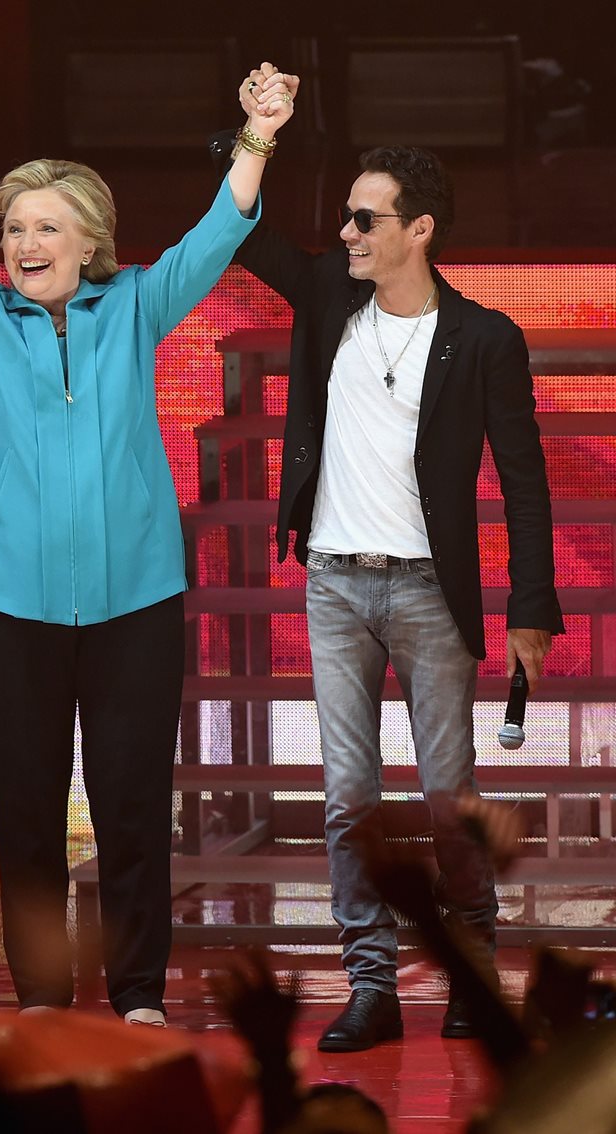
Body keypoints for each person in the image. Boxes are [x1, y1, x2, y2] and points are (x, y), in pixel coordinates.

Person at [0, 65, 296, 1025]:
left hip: (135, 606)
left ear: (91, 241)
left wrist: (258, 135)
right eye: (13, 228)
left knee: (131, 813)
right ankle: (42, 996)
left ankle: (136, 996)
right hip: (9, 612)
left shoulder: (136, 308)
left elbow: (219, 233)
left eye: (46, 226)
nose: (25, 242)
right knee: (28, 817)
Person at [209, 63, 563, 1052]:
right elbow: (240, 229)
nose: (349, 235)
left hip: (428, 593)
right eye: (348, 219)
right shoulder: (330, 292)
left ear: (420, 230)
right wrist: (258, 131)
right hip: (333, 582)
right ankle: (369, 985)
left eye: (368, 220)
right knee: (347, 799)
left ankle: (471, 970)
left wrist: (530, 606)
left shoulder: (485, 339)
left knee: (450, 804)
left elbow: (524, 481)